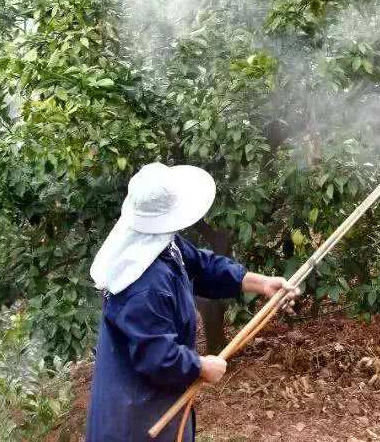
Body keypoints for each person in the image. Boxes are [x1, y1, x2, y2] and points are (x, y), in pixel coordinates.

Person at [85, 162, 298, 442]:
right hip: (136, 418)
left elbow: (203, 265)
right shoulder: (144, 283)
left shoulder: (159, 243)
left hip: (152, 404)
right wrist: (200, 365)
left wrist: (261, 283)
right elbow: (158, 357)